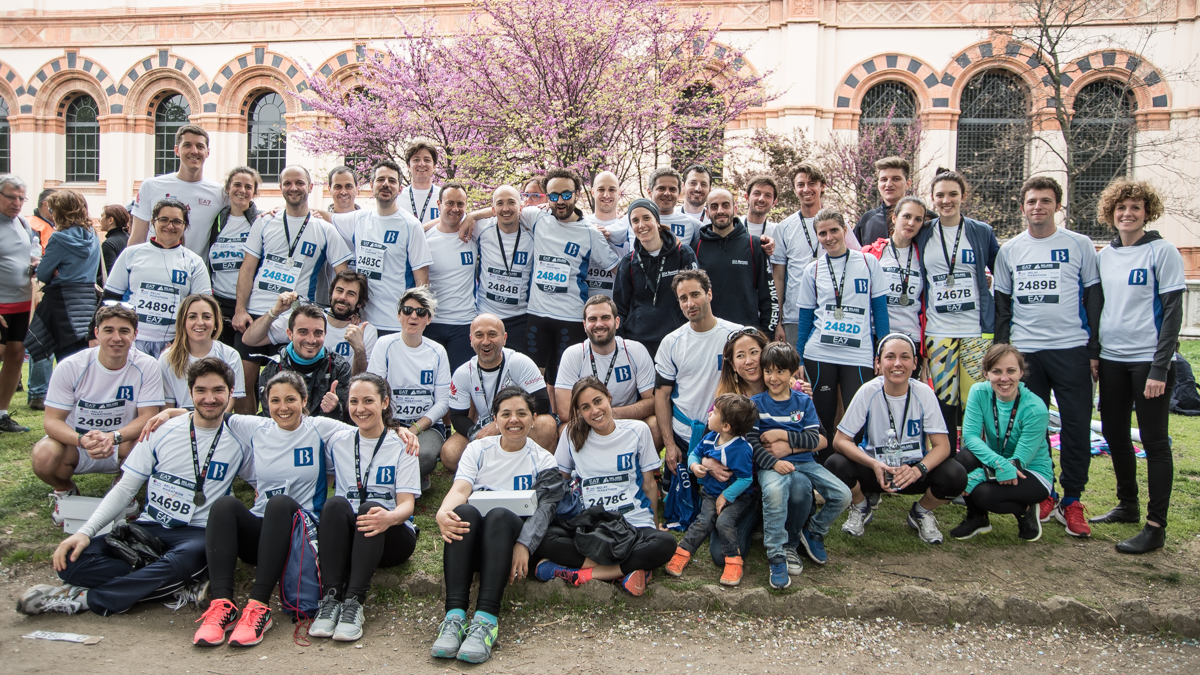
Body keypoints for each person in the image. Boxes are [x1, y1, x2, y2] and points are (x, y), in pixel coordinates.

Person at [16, 359, 251, 618]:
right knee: (71, 560)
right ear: (190, 392)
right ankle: (175, 586)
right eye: (201, 390)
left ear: (230, 393)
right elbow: (125, 488)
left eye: (218, 390)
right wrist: (85, 532)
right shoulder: (162, 429)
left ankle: (84, 599)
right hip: (148, 528)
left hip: (197, 534)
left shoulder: (240, 436)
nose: (210, 398)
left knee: (190, 559)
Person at [994, 175, 1101, 537]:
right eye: (1031, 201)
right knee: (1032, 431)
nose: (1037, 207)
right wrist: (1002, 354)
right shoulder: (1010, 250)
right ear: (1021, 206)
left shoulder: (1080, 244)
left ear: (1058, 205)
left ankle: (1072, 500)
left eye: (1045, 201)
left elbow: (1094, 299)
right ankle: (1045, 491)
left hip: (1071, 349)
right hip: (1027, 354)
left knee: (1075, 428)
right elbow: (1003, 308)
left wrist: (1094, 350)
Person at [432, 387, 564, 664]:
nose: (513, 420)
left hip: (509, 545)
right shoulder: (478, 449)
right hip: (473, 544)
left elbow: (544, 513)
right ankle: (454, 618)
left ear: (533, 418)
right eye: (506, 414)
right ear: (495, 419)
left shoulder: (544, 459)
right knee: (464, 510)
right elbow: (461, 488)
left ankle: (485, 621)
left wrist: (523, 545)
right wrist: (443, 513)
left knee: (500, 514)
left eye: (521, 414)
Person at [1091, 179, 1185, 554]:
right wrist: (1096, 352)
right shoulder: (1106, 255)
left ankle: (1155, 525)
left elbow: (1173, 314)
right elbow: (1098, 309)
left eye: (1135, 208)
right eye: (1121, 208)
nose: (1127, 214)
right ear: (1111, 213)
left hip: (1149, 360)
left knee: (1154, 442)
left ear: (1147, 212)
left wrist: (1160, 368)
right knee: (1115, 435)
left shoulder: (1162, 252)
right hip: (1113, 359)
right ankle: (1127, 505)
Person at [533, 377, 675, 596]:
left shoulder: (638, 430)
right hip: (592, 525)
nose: (595, 411)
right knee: (543, 538)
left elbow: (648, 484)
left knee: (664, 542)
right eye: (585, 407)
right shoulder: (571, 435)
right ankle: (629, 569)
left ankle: (583, 574)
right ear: (579, 412)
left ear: (609, 398)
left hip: (633, 522)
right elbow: (559, 482)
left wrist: (654, 523)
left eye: (598, 401)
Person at [310, 373, 421, 642]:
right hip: (353, 536)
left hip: (392, 535)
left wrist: (389, 517)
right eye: (354, 402)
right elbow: (291, 418)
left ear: (384, 403)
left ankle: (354, 604)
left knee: (370, 508)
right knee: (335, 504)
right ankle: (331, 600)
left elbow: (407, 505)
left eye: (368, 401)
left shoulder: (403, 444)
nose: (360, 409)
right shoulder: (339, 439)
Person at [234, 165, 351, 414]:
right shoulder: (264, 222)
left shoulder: (324, 229)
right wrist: (240, 309)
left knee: (288, 388)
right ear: (281, 188)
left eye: (299, 183)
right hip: (256, 313)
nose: (293, 187)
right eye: (287, 183)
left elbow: (344, 274)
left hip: (296, 318)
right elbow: (247, 268)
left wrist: (343, 309)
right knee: (244, 384)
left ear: (310, 187)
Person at [828, 334, 967, 544]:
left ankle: (921, 512)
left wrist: (918, 469)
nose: (897, 364)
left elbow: (943, 446)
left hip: (912, 470)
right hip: (877, 469)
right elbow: (840, 440)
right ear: (878, 363)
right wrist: (874, 463)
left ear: (914, 363)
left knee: (955, 475)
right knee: (835, 464)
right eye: (890, 357)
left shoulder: (924, 393)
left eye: (905, 357)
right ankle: (861, 505)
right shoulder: (868, 391)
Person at [32, 305, 164, 525]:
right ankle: (65, 490)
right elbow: (52, 421)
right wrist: (81, 440)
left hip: (121, 443)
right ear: (96, 332)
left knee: (153, 441)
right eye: (108, 330)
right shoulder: (71, 366)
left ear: (135, 334)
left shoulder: (147, 365)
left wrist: (112, 437)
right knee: (43, 455)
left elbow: (147, 417)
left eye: (124, 331)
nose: (116, 338)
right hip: (77, 445)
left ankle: (123, 490)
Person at [751, 342, 850, 587]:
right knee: (774, 493)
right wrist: (773, 463)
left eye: (780, 372)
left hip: (805, 462)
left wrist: (780, 435)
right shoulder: (756, 403)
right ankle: (776, 555)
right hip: (771, 466)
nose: (773, 378)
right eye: (768, 371)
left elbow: (815, 439)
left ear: (792, 372)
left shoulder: (803, 402)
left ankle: (814, 530)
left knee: (843, 495)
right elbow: (752, 444)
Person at [914, 169, 1000, 454]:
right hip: (939, 332)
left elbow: (1001, 269)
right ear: (932, 199)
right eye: (940, 195)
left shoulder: (981, 231)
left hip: (976, 330)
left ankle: (977, 468)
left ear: (963, 196)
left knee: (976, 403)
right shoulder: (924, 232)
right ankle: (948, 463)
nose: (946, 200)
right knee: (944, 404)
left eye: (953, 194)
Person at [794, 209, 889, 458]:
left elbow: (880, 313)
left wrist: (883, 352)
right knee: (822, 418)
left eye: (834, 230)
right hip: (820, 353)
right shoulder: (812, 270)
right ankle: (823, 474)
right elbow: (805, 319)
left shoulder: (869, 263)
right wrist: (800, 358)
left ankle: (855, 475)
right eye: (822, 233)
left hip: (858, 355)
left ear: (845, 230)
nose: (829, 237)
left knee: (857, 417)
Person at [949, 344, 1053, 542]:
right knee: (963, 460)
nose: (1004, 378)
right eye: (996, 371)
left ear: (1021, 373)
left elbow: (1020, 461)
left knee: (982, 494)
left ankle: (1026, 509)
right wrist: (997, 463)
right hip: (1001, 462)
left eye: (1011, 371)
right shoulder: (979, 392)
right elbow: (970, 436)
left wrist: (978, 476)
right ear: (986, 373)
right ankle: (977, 519)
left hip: (1031, 471)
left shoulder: (1036, 408)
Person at [326, 160, 431, 339]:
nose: (385, 184)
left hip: (395, 323)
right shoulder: (359, 218)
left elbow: (422, 281)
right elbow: (325, 217)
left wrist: (416, 320)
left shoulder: (410, 225)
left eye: (392, 180)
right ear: (372, 185)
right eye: (380, 179)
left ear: (400, 188)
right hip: (362, 322)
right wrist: (277, 212)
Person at [664, 393, 758, 586]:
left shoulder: (741, 449)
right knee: (703, 522)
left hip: (737, 498)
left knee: (724, 522)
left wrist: (726, 495)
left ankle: (734, 562)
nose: (709, 414)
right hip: (710, 494)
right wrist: (694, 466)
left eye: (714, 412)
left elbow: (746, 479)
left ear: (726, 426)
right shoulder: (709, 438)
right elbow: (694, 454)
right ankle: (683, 552)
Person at [442, 314, 558, 471]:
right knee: (450, 453)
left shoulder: (520, 362)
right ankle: (493, 472)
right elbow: (457, 416)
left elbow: (542, 403)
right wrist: (475, 433)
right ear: (471, 339)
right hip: (483, 428)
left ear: (504, 338)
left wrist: (501, 423)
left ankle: (537, 472)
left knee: (546, 424)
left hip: (519, 422)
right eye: (479, 335)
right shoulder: (463, 372)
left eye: (492, 334)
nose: (485, 341)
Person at [655, 269, 742, 472]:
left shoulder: (736, 336)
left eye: (695, 295)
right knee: (679, 501)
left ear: (709, 294)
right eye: (683, 298)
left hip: (728, 437)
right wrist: (670, 445)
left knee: (720, 500)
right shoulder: (671, 342)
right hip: (684, 435)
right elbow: (661, 396)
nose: (690, 304)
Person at [103, 197, 213, 358]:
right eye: (164, 219)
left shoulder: (194, 261)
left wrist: (179, 341)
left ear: (185, 226)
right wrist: (95, 335)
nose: (170, 226)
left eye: (177, 221)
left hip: (172, 344)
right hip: (132, 341)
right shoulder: (131, 254)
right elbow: (110, 298)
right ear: (153, 222)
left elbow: (202, 308)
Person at [367, 286, 451, 490]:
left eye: (421, 312)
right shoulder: (384, 344)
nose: (413, 316)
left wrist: (414, 429)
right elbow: (373, 392)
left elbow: (443, 402)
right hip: (389, 423)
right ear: (399, 315)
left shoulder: (437, 351)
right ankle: (409, 482)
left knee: (424, 455)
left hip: (426, 427)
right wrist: (394, 428)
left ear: (428, 319)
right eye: (407, 310)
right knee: (382, 451)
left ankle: (404, 481)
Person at [772, 163, 861, 346]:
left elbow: (856, 264)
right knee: (797, 372)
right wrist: (778, 321)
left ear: (822, 186)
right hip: (794, 317)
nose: (806, 189)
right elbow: (779, 278)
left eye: (812, 183)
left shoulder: (839, 225)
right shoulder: (784, 227)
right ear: (794, 189)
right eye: (801, 184)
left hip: (832, 314)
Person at [554, 296, 657, 444]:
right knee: (566, 429)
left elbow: (653, 401)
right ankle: (580, 467)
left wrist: (610, 414)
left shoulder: (635, 350)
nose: (599, 324)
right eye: (592, 319)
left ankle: (643, 467)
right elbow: (564, 411)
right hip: (588, 423)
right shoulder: (573, 354)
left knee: (654, 424)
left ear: (616, 322)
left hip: (626, 422)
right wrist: (599, 416)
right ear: (584, 325)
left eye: (605, 317)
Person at [613, 199, 698, 358]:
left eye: (646, 218)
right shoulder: (629, 262)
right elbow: (620, 309)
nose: (641, 225)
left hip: (677, 340)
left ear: (657, 222)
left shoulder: (682, 254)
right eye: (635, 221)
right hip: (638, 343)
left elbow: (696, 298)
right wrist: (621, 341)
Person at [245, 272, 376, 376]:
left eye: (350, 294)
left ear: (359, 303)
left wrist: (359, 350)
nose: (342, 297)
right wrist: (275, 312)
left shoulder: (366, 331)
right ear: (330, 295)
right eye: (339, 291)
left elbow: (359, 382)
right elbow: (249, 340)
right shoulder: (307, 316)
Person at [129, 124, 226, 257]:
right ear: (177, 150)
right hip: (152, 271)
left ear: (207, 152)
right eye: (187, 145)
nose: (194, 151)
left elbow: (243, 213)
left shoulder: (220, 193)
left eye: (200, 146)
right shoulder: (151, 186)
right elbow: (137, 238)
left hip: (194, 273)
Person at [26, 190, 101, 362]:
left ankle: (40, 388)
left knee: (65, 360)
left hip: (63, 303)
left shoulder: (59, 238)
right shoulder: (93, 236)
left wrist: (46, 267)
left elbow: (43, 274)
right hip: (88, 302)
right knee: (84, 357)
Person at [693, 188, 778, 336]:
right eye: (714, 206)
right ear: (707, 213)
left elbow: (769, 295)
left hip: (745, 333)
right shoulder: (696, 246)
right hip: (707, 333)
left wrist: (767, 335)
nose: (720, 210)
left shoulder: (754, 245)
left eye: (725, 205)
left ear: (735, 209)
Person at [257, 301, 352, 420]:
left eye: (318, 333)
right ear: (290, 334)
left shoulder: (339, 368)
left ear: (325, 334)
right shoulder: (273, 369)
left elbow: (346, 421)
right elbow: (270, 419)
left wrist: (333, 409)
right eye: (303, 332)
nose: (311, 340)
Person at [473, 185, 536, 352]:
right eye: (500, 203)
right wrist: (420, 229)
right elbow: (448, 222)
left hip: (520, 318)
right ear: (493, 209)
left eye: (511, 202)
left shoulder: (533, 234)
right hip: (486, 315)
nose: (506, 208)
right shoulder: (481, 228)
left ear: (521, 207)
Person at [0, 174, 40, 433]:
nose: (16, 203)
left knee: (15, 354)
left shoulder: (23, 223)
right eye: (11, 197)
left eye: (21, 198)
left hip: (22, 301)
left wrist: (36, 261)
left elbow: (34, 247)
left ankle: (1, 414)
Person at [424, 181, 478, 371]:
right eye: (450, 203)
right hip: (432, 323)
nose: (455, 209)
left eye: (460, 204)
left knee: (462, 384)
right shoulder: (424, 238)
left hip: (464, 324)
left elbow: (498, 208)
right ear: (439, 205)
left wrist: (473, 216)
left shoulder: (473, 233)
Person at [205, 166, 262, 348]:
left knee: (242, 362)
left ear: (254, 192)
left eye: (248, 186)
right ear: (228, 188)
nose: (242, 191)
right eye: (237, 185)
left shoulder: (261, 221)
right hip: (218, 303)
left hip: (248, 304)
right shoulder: (216, 220)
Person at [158, 294, 245, 410]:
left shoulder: (230, 355)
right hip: (180, 423)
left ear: (215, 323)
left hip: (217, 421)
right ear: (183, 322)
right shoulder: (167, 358)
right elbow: (167, 408)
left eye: (206, 317)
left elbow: (229, 403)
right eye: (192, 317)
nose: (200, 322)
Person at [862, 196, 927, 345]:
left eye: (918, 219)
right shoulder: (871, 253)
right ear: (894, 218)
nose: (911, 223)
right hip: (875, 336)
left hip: (912, 339)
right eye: (907, 216)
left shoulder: (923, 256)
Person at [25, 188, 56, 411]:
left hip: (41, 286)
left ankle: (38, 391)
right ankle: (37, 392)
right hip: (36, 287)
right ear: (46, 204)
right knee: (39, 338)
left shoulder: (46, 226)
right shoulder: (33, 225)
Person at [583, 171, 627, 297]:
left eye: (612, 190)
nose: (606, 195)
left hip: (617, 305)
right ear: (592, 192)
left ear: (619, 193)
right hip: (584, 305)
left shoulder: (627, 226)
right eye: (601, 189)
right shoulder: (582, 225)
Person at [635, 167, 702, 247]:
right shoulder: (632, 221)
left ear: (679, 193)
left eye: (672, 189)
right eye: (661, 188)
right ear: (649, 192)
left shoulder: (692, 224)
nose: (667, 193)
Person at [853, 156, 912, 246]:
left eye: (896, 179)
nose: (888, 184)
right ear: (878, 184)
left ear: (908, 184)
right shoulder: (867, 220)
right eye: (884, 180)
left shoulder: (923, 218)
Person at [398, 141, 442, 224]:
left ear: (434, 166)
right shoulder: (397, 197)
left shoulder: (444, 196)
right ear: (408, 166)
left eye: (427, 160)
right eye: (416, 160)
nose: (422, 164)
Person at [98, 204, 130, 279]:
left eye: (102, 216)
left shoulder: (108, 244)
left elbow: (108, 275)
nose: (100, 220)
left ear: (110, 220)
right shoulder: (129, 238)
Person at [743, 174, 779, 239]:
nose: (761, 199)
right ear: (747, 197)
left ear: (774, 202)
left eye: (768, 195)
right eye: (757, 194)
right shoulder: (733, 227)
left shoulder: (777, 232)